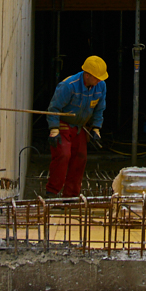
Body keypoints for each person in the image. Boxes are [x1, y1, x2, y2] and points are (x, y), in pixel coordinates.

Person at [44, 55, 107, 198]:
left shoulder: (100, 86)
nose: (99, 80)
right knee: (63, 155)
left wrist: (96, 128)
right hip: (64, 125)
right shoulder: (68, 86)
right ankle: (52, 193)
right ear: (87, 75)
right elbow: (54, 108)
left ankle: (71, 196)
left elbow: (99, 108)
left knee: (80, 158)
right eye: (96, 77)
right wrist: (54, 130)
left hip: (80, 126)